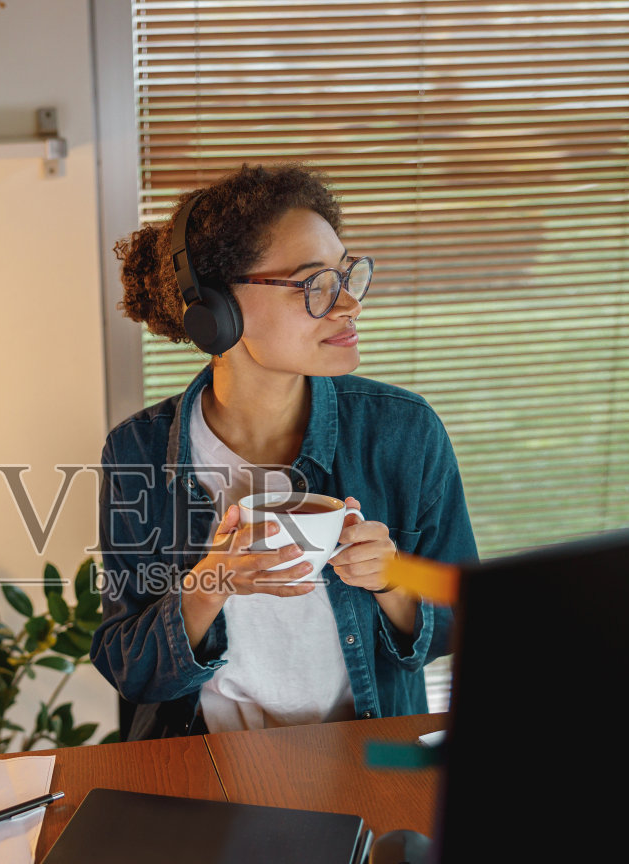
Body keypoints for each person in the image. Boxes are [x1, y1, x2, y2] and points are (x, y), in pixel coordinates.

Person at [91, 164, 477, 740]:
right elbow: (132, 670)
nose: (349, 305)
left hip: (366, 762)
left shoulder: (404, 430)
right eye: (315, 284)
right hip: (206, 766)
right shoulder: (137, 451)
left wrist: (392, 581)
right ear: (217, 309)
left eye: (347, 276)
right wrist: (209, 584)